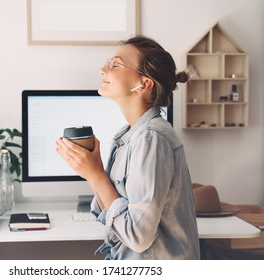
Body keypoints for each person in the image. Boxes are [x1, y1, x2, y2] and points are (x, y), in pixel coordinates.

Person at [55, 35, 200, 260]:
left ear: (144, 84)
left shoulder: (152, 138)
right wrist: (92, 171)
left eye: (115, 64)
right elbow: (113, 215)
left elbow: (138, 236)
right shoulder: (128, 136)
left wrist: (95, 176)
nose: (103, 69)